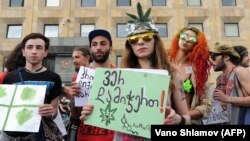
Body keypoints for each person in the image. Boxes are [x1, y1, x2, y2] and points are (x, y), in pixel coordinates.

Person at [80, 2, 190, 141]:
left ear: (155, 41)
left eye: (146, 38)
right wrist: (90, 113)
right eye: (134, 39)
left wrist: (178, 119)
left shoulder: (172, 74)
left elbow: (187, 118)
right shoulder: (119, 76)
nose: (140, 42)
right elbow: (107, 112)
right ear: (130, 45)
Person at [1, 33, 63, 140]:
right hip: (11, 134)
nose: (34, 51)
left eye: (39, 48)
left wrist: (51, 111)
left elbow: (54, 111)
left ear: (45, 53)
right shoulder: (10, 77)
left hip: (40, 134)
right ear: (23, 52)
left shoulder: (54, 78)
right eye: (30, 47)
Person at [69, 29, 116, 141]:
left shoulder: (120, 75)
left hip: (113, 137)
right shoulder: (79, 77)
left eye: (103, 44)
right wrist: (73, 98)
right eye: (94, 44)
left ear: (111, 48)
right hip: (85, 136)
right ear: (90, 49)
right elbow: (76, 116)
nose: (98, 47)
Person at [168, 27, 212, 124]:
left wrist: (184, 116)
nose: (186, 40)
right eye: (184, 36)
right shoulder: (162, 62)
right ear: (178, 38)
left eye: (192, 39)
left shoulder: (197, 71)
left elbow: (206, 104)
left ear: (196, 45)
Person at [210, 42, 250, 124]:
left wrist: (227, 99)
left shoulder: (240, 71)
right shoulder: (229, 76)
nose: (211, 61)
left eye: (214, 57)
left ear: (226, 57)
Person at [65, 47, 92, 141]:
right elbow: (75, 112)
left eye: (77, 57)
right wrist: (72, 96)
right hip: (80, 124)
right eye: (73, 58)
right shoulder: (75, 78)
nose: (74, 61)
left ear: (87, 58)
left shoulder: (99, 73)